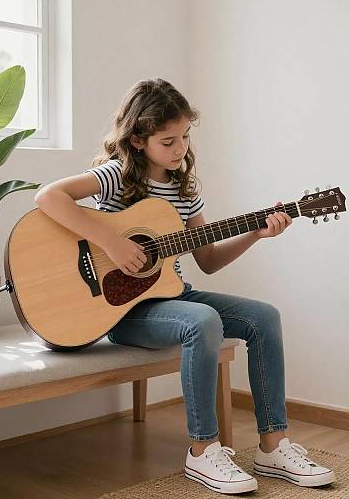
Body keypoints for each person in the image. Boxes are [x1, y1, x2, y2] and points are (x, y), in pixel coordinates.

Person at [34, 78, 335, 495]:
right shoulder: (116, 176)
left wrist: (256, 234)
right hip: (123, 311)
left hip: (173, 297)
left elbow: (208, 261)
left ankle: (273, 445)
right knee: (203, 321)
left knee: (264, 316)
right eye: (168, 140)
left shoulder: (183, 188)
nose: (180, 149)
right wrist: (113, 243)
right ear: (138, 140)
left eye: (185, 137)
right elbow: (48, 198)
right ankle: (202, 451)